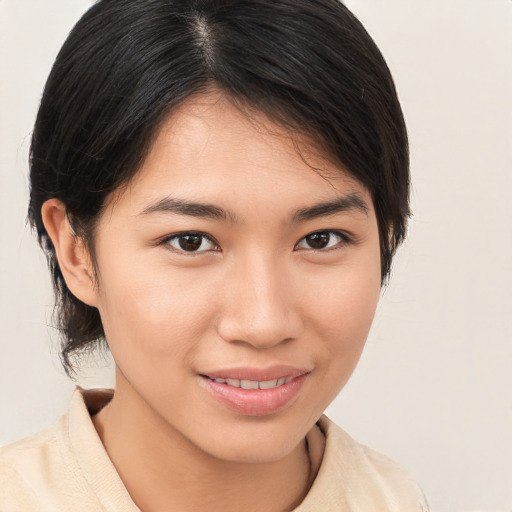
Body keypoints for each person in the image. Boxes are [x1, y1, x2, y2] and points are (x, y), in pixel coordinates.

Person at [0, 0, 430, 510]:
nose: (264, 322)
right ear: (76, 251)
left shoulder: (395, 499)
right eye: (191, 241)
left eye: (320, 238)